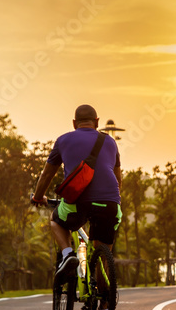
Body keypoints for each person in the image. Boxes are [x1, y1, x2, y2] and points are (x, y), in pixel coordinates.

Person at [31, 104, 122, 281]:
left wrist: (37, 197)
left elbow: (47, 174)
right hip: (110, 204)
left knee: (56, 221)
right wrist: (113, 201)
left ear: (74, 123)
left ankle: (67, 255)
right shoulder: (110, 142)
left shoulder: (63, 140)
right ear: (97, 122)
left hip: (78, 202)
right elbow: (118, 180)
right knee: (103, 257)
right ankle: (105, 298)